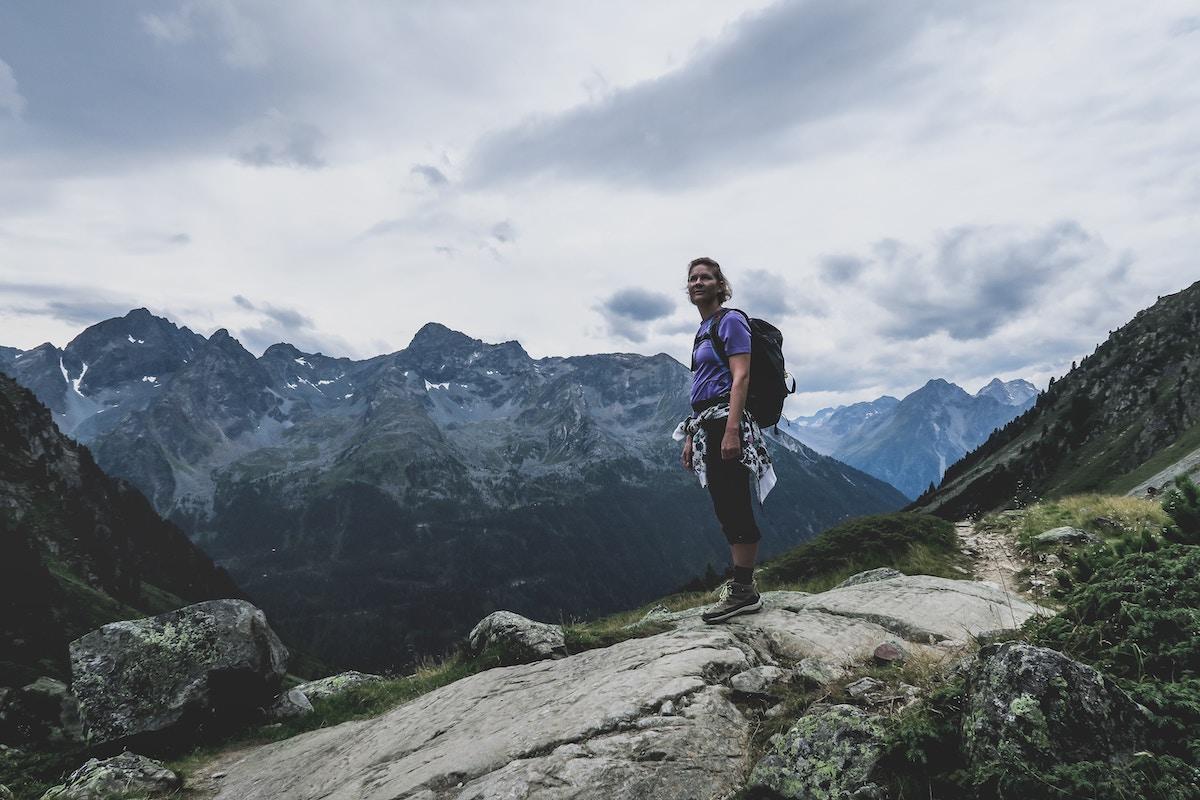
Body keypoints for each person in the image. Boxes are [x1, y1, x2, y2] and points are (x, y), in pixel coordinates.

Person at [677, 256, 768, 623]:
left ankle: (744, 591)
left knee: (734, 503)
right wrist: (691, 435)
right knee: (724, 504)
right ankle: (742, 587)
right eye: (693, 278)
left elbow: (740, 377)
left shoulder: (730, 321)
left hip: (726, 423)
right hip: (708, 423)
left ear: (720, 285)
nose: (698, 283)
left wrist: (731, 430)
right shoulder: (703, 330)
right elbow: (703, 389)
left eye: (706, 278)